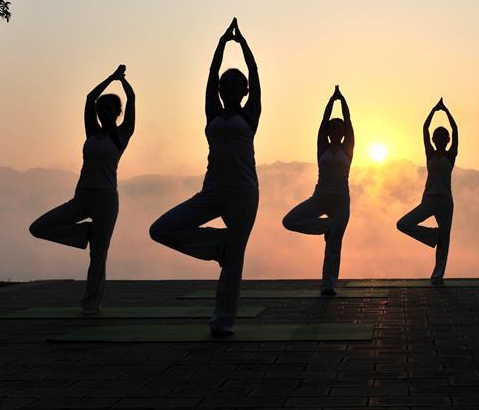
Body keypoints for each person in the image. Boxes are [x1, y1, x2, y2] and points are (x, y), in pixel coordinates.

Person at [150, 18, 260, 336]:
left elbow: (255, 74)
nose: (228, 89)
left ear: (245, 91)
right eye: (226, 86)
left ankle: (222, 322)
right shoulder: (213, 112)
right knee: (162, 229)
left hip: (243, 191)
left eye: (235, 86)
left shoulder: (249, 115)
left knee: (235, 261)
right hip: (212, 190)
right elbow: (211, 78)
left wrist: (243, 45)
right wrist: (222, 44)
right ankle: (218, 246)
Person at [30, 65, 135, 314]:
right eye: (101, 109)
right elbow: (89, 98)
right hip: (82, 196)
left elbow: (131, 99)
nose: (104, 112)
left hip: (106, 199)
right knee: (39, 227)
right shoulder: (92, 132)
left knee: (98, 255)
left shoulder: (122, 135)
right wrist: (110, 78)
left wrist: (122, 82)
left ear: (118, 113)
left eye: (109, 109)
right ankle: (84, 234)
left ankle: (91, 304)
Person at [282, 86, 354, 296]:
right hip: (320, 197)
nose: (335, 132)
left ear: (342, 134)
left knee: (334, 246)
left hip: (341, 200)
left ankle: (328, 285)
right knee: (290, 220)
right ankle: (326, 226)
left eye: (338, 130)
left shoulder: (347, 149)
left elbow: (349, 123)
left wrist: (343, 101)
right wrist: (332, 101)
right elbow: (322, 124)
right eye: (332, 130)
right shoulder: (321, 148)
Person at [396, 98, 458, 284]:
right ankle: (433, 235)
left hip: (445, 200)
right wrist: (433, 111)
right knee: (403, 224)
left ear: (446, 140)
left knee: (445, 241)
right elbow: (424, 129)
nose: (440, 140)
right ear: (434, 140)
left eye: (443, 138)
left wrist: (446, 112)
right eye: (437, 138)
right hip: (429, 199)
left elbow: (456, 131)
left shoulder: (450, 154)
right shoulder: (430, 153)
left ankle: (437, 276)